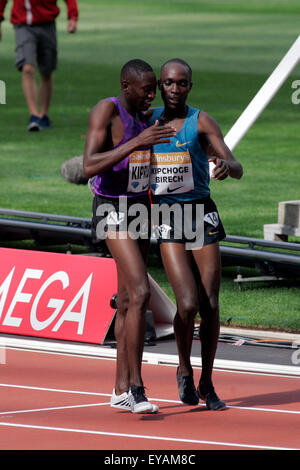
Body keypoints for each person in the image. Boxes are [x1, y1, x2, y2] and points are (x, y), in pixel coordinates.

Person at [148, 58, 243, 410]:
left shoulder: (200, 121)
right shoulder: (149, 121)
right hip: (168, 215)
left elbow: (237, 167)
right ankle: (184, 368)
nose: (175, 89)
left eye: (182, 83)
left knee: (210, 302)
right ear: (160, 85)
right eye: (169, 83)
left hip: (201, 213)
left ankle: (207, 380)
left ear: (190, 86)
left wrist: (225, 166)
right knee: (186, 303)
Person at [83, 59, 176, 414]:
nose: (151, 95)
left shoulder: (149, 116)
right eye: (146, 89)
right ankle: (137, 388)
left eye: (155, 88)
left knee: (126, 301)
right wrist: (137, 141)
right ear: (126, 86)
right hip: (110, 207)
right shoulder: (107, 110)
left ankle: (120, 389)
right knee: (140, 292)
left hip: (139, 208)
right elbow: (89, 164)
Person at [0, 0, 78, 131]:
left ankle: (44, 115)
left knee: (46, 71)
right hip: (23, 25)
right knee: (27, 68)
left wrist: (72, 17)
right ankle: (34, 115)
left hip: (47, 23)